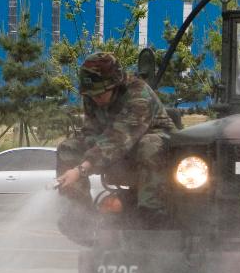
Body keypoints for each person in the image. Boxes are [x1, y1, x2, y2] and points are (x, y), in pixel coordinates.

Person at [55, 52, 175, 218]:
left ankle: (151, 213)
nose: (95, 99)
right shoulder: (93, 95)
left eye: (99, 95)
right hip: (114, 148)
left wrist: (81, 168)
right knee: (68, 148)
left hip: (158, 148)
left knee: (149, 144)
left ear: (115, 85)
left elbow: (121, 136)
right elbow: (91, 131)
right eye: (91, 95)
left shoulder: (139, 94)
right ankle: (81, 216)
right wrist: (89, 152)